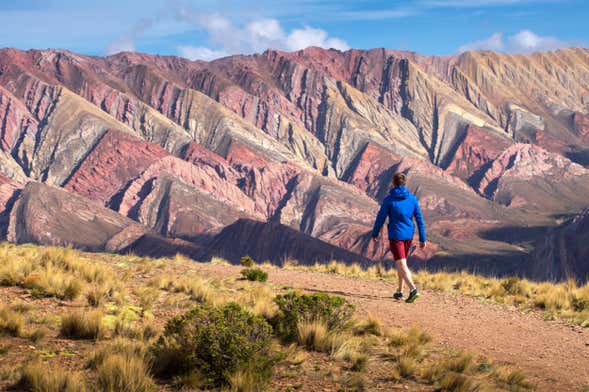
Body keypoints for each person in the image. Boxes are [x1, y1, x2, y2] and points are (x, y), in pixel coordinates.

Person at [371, 173, 426, 303]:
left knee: (401, 263)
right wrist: (423, 238)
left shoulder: (389, 200)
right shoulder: (412, 199)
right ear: (404, 183)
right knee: (402, 263)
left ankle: (413, 290)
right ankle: (400, 291)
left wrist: (375, 232)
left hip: (396, 235)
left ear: (393, 183)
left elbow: (381, 217)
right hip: (409, 234)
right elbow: (419, 219)